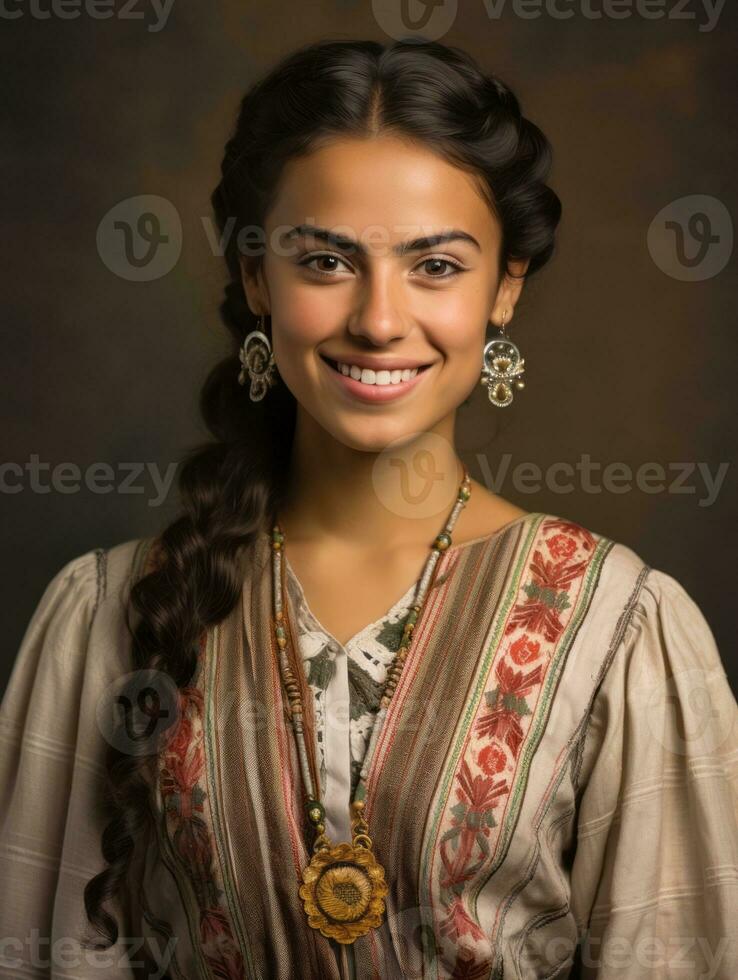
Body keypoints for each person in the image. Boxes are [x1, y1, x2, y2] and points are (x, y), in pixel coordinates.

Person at [1, 38, 736, 980]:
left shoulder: (619, 627)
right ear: (258, 278)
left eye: (436, 266)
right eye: (326, 262)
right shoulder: (107, 613)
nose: (380, 320)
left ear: (504, 288)